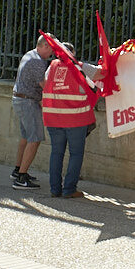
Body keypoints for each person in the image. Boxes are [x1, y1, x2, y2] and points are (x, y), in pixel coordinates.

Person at [41, 42, 103, 199]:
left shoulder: (52, 66)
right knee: (76, 154)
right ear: (73, 54)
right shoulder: (80, 67)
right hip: (76, 118)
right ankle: (69, 189)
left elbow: (45, 83)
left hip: (53, 118)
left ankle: (55, 189)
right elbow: (102, 74)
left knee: (56, 153)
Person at [11, 35, 54, 189]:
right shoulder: (37, 61)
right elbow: (46, 86)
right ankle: (21, 178)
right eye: (51, 50)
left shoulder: (29, 54)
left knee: (25, 137)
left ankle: (17, 170)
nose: (51, 54)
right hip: (28, 102)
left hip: (20, 99)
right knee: (34, 139)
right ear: (45, 46)